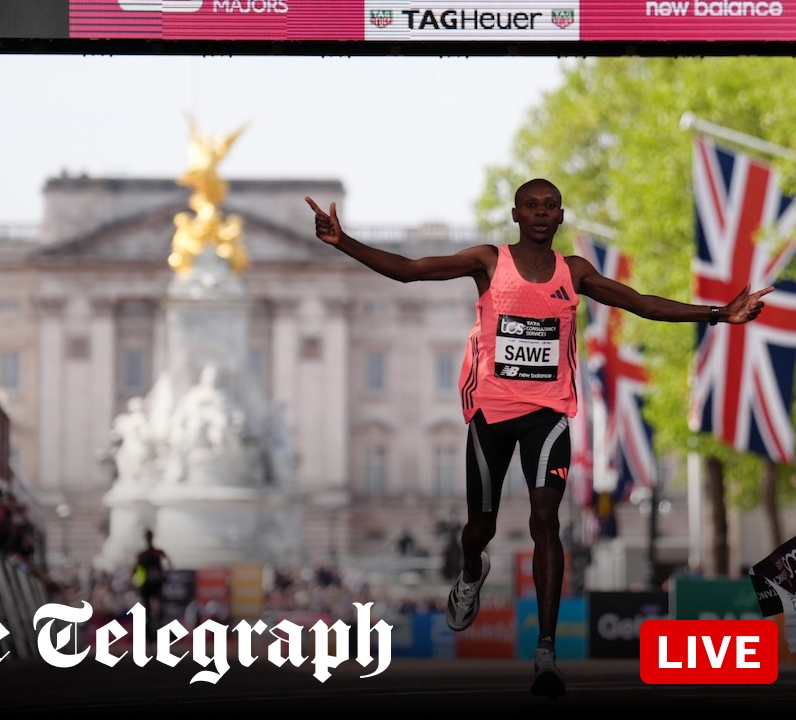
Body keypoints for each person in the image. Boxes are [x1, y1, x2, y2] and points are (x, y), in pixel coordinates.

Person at [306, 179, 771, 698]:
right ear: (516, 214)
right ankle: (469, 571)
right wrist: (342, 242)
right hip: (492, 416)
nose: (541, 213)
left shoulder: (574, 273)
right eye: (532, 206)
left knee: (545, 520)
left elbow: (640, 302)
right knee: (478, 528)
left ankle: (546, 650)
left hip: (549, 415)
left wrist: (718, 315)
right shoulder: (488, 261)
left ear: (561, 215)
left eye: (550, 206)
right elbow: (412, 272)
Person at [134, 529, 171, 633]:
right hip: (147, 584)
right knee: (147, 609)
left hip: (156, 583)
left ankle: (158, 626)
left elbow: (168, 561)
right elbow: (135, 569)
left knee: (159, 606)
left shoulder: (157, 552)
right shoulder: (143, 555)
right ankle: (149, 631)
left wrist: (165, 574)